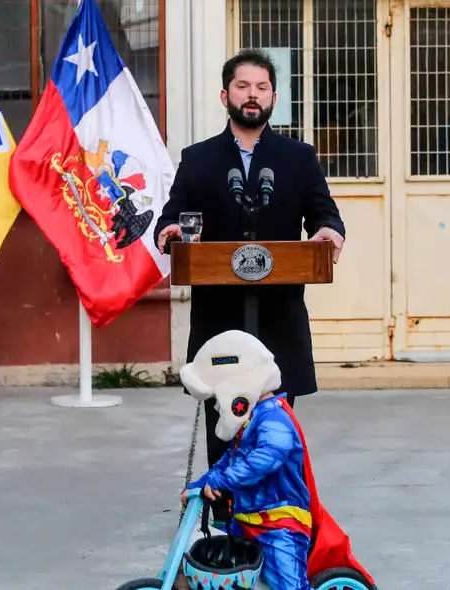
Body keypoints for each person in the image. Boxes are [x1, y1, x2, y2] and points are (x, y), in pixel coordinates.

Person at [153, 49, 346, 525]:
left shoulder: (298, 158)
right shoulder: (198, 159)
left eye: (261, 87)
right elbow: (171, 217)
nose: (252, 95)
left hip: (278, 321)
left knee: (272, 431)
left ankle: (277, 523)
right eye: (243, 86)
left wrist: (329, 232)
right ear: (226, 96)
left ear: (274, 97)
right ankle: (223, 529)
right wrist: (171, 232)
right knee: (225, 426)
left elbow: (325, 214)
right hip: (220, 321)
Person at [179, 329, 313, 590]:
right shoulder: (250, 421)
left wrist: (221, 480)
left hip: (279, 524)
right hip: (246, 520)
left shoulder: (274, 419)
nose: (218, 406)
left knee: (288, 584)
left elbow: (267, 457)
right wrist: (202, 484)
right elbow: (231, 458)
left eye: (219, 397)